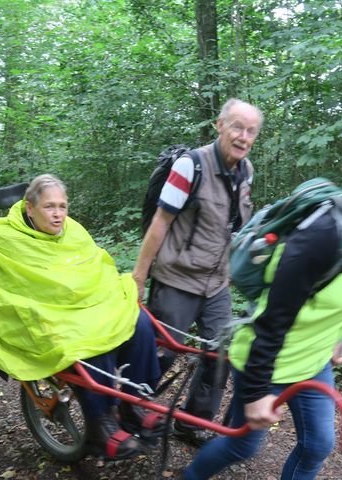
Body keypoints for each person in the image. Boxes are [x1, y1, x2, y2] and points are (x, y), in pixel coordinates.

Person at [181, 131, 342, 479]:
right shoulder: (322, 235)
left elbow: (339, 294)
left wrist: (335, 336)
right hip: (268, 363)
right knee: (243, 444)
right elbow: (272, 319)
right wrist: (258, 392)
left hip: (314, 360)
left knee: (318, 445)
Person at [0, 174, 165, 460]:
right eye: (49, 207)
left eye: (63, 206)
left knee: (141, 323)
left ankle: (134, 404)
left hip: (89, 303)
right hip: (48, 313)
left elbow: (96, 266)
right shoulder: (0, 236)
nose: (58, 214)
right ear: (29, 208)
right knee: (89, 340)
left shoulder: (73, 230)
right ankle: (101, 422)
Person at [133, 98, 262, 446]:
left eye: (251, 131)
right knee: (162, 352)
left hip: (216, 283)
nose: (243, 136)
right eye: (237, 126)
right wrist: (139, 276)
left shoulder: (245, 171)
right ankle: (128, 409)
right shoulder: (192, 166)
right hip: (176, 277)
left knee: (219, 355)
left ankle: (190, 425)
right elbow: (161, 223)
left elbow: (239, 226)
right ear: (220, 125)